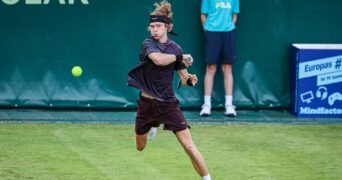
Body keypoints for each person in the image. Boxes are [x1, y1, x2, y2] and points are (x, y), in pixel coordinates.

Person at [127, 1, 211, 179]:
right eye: (152, 26)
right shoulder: (147, 44)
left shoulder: (175, 49)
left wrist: (190, 80)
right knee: (140, 147)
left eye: (158, 26)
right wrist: (180, 57)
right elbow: (158, 60)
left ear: (167, 27)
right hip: (146, 104)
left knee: (189, 146)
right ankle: (152, 124)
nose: (154, 30)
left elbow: (183, 78)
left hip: (168, 104)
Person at [200, 0, 240, 117]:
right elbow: (203, 15)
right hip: (212, 32)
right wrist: (207, 29)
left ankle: (229, 105)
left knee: (227, 68)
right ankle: (207, 105)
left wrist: (230, 27)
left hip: (228, 33)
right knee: (211, 68)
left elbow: (234, 15)